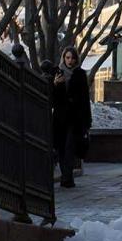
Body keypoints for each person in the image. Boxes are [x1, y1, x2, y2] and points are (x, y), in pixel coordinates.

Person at [51, 46, 92, 188]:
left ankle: (67, 178)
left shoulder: (80, 74)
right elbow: (52, 98)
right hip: (60, 118)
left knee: (69, 147)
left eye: (72, 58)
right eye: (67, 57)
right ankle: (65, 176)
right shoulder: (57, 72)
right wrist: (56, 85)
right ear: (64, 58)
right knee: (61, 148)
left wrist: (87, 121)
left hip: (75, 118)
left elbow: (85, 99)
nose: (70, 60)